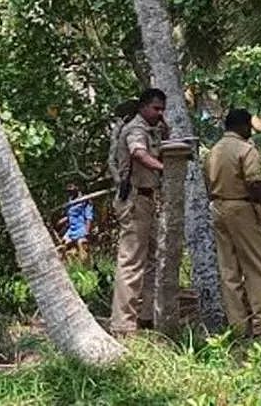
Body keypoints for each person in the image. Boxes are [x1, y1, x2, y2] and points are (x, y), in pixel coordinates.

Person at [204, 108, 261, 340]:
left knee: (229, 270)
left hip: (218, 208)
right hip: (242, 208)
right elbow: (255, 184)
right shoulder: (245, 150)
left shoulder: (214, 151)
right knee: (258, 266)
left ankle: (238, 327)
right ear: (241, 126)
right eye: (248, 126)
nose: (250, 131)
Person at [109, 88, 169, 335]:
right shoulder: (136, 129)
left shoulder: (153, 129)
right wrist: (164, 168)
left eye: (162, 109)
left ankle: (145, 316)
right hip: (134, 199)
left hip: (147, 200)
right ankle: (123, 324)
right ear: (143, 107)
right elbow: (138, 153)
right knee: (131, 261)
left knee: (153, 258)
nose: (160, 113)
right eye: (156, 108)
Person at [57, 183, 94, 260]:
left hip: (81, 228)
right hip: (71, 230)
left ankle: (85, 267)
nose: (70, 191)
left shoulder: (85, 200)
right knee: (62, 247)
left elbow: (89, 217)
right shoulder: (70, 201)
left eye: (71, 188)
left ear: (77, 187)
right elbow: (70, 216)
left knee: (82, 245)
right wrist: (63, 220)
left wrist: (87, 231)